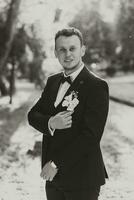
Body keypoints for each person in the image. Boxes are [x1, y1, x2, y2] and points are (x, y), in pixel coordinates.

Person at [28, 27, 109, 200]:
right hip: (53, 178)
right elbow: (32, 115)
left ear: (83, 50)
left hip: (82, 178)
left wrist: (56, 164)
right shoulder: (52, 81)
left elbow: (90, 136)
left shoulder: (96, 86)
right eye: (62, 49)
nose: (68, 54)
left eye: (72, 48)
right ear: (55, 53)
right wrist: (50, 122)